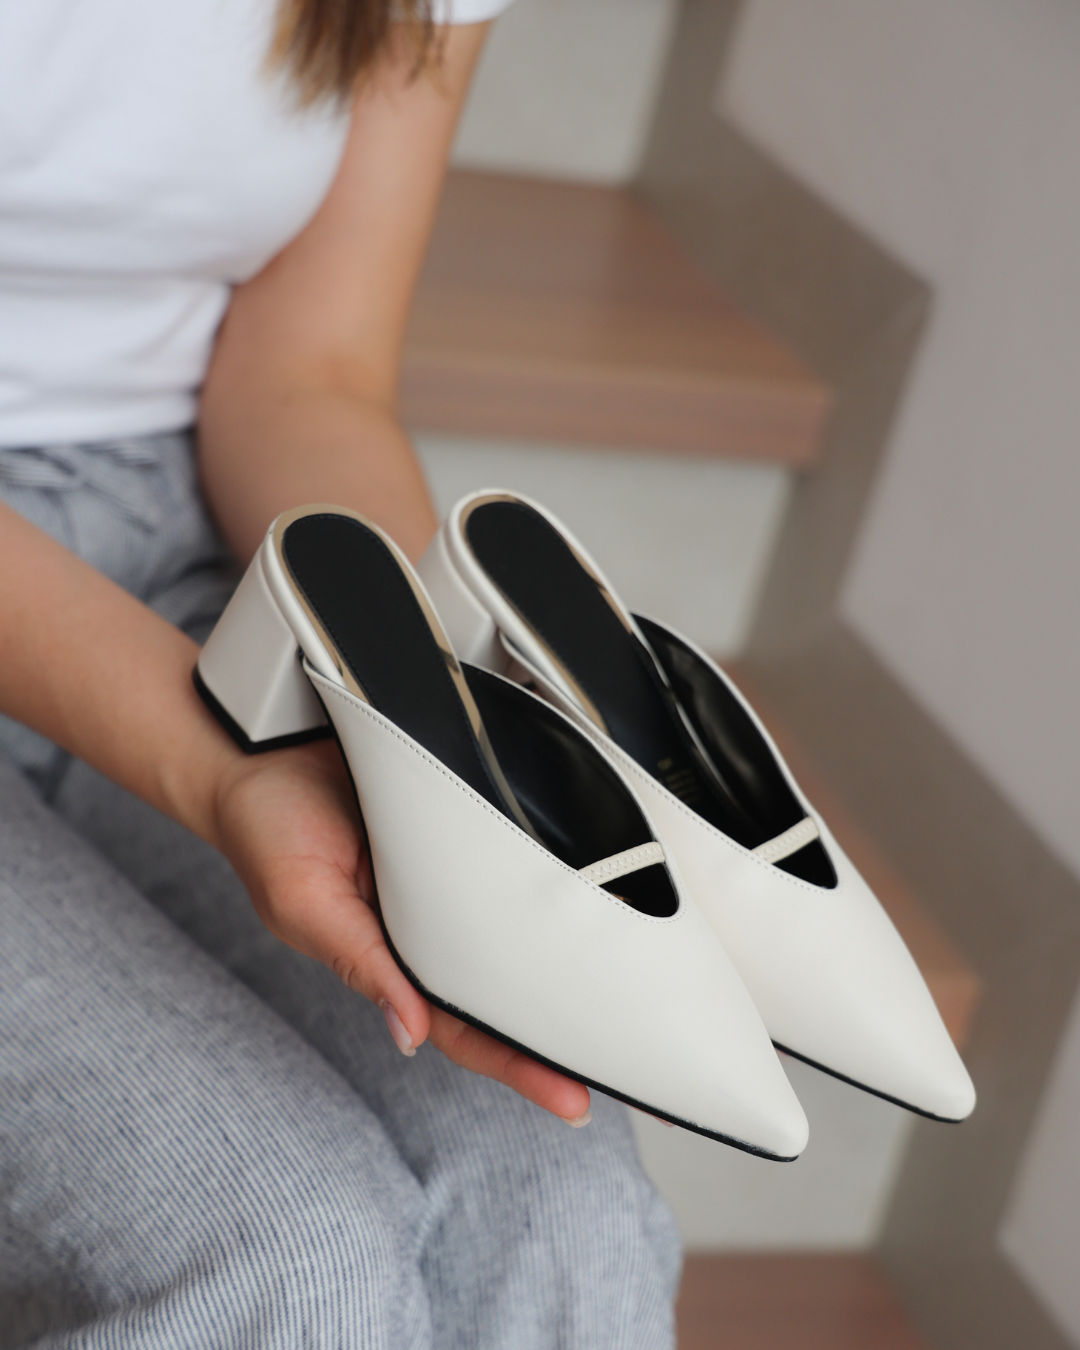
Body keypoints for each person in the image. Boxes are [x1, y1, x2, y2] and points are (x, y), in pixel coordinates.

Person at [0, 1, 681, 1344]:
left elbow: (310, 370)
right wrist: (222, 768)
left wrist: (431, 720)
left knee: (563, 1205)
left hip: (175, 535)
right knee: (288, 1254)